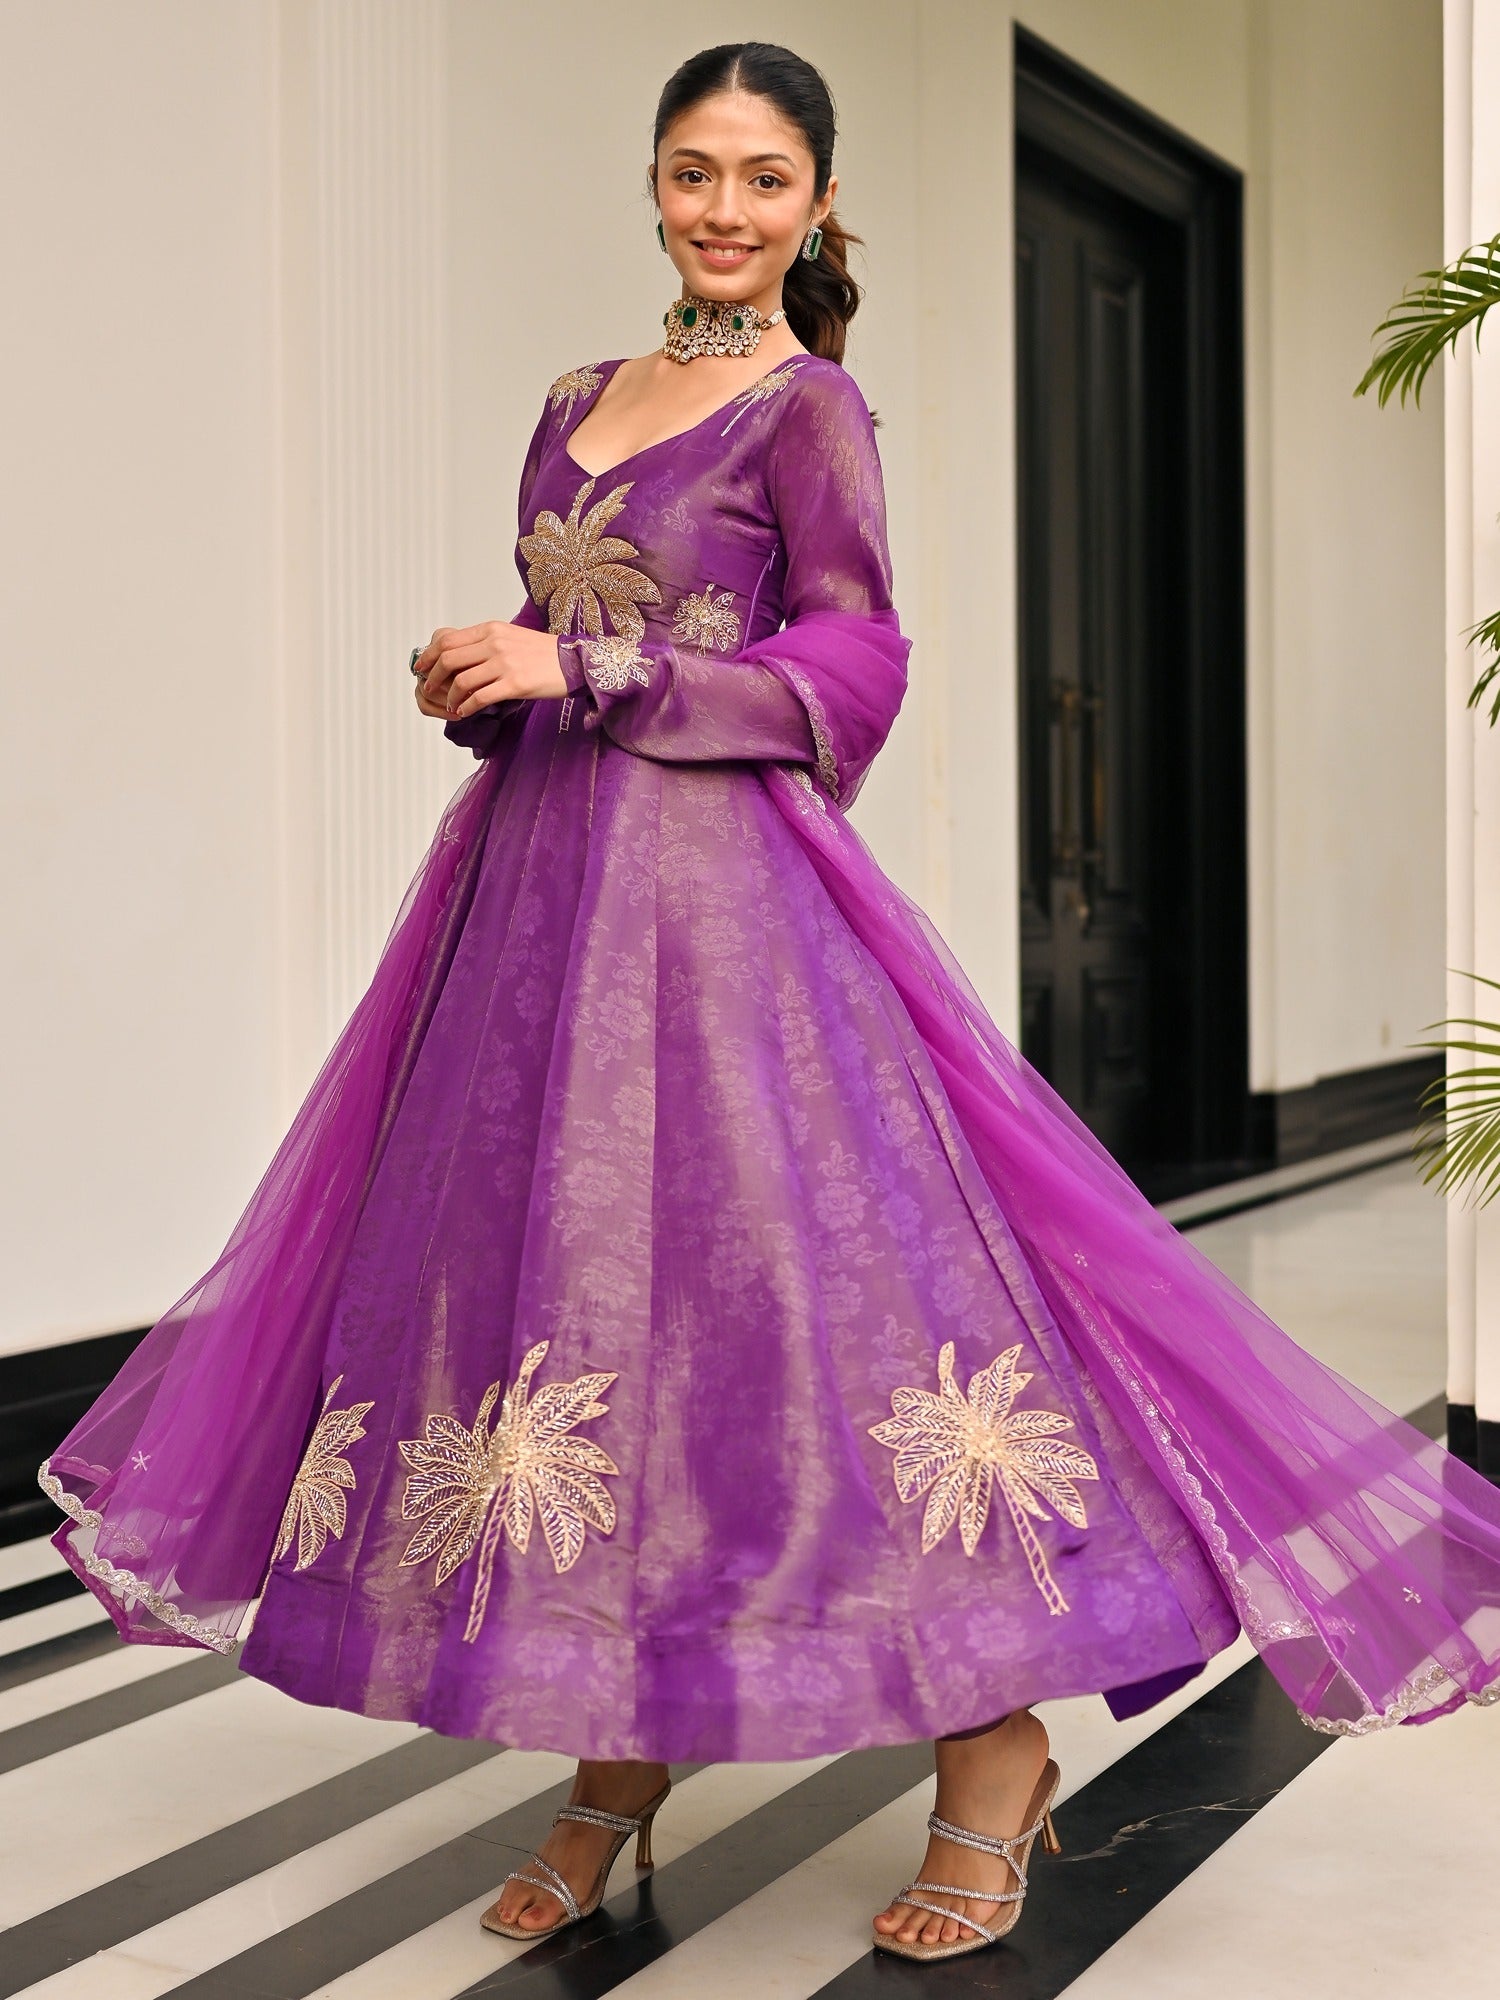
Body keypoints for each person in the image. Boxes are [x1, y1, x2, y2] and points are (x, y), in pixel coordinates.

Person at [36, 39, 1500, 1970]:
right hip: (535, 907)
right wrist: (490, 672)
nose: (723, 209)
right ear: (653, 181)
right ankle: (616, 1736)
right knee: (554, 1298)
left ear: (815, 203)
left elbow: (855, 661)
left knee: (804, 1306)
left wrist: (597, 672)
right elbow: (565, 625)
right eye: (693, 170)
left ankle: (993, 1747)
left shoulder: (811, 407)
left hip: (724, 910)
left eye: (763, 178)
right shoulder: (574, 399)